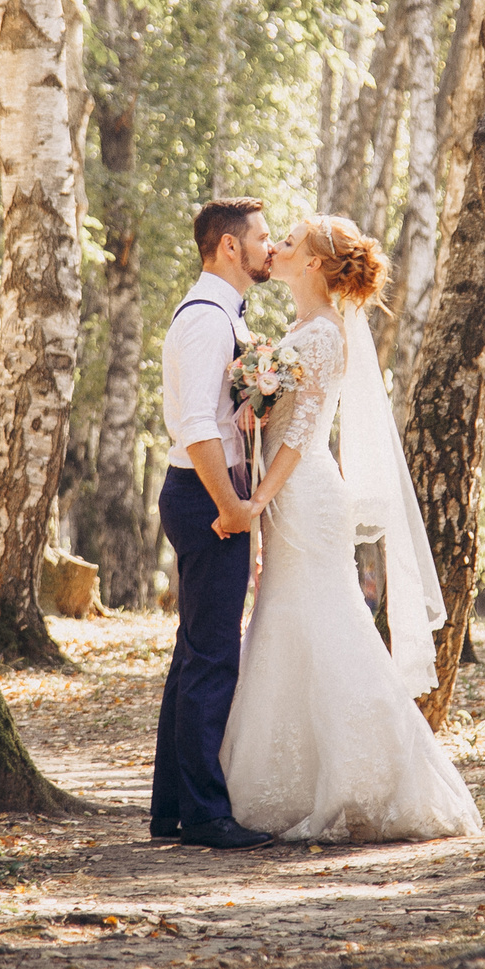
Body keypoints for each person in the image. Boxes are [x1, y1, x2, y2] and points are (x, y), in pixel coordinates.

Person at [221, 215, 481, 842]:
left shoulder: (322, 337)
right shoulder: (301, 331)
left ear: (312, 264)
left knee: (326, 621)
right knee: (287, 621)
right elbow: (283, 419)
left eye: (290, 242)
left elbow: (306, 433)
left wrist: (256, 501)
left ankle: (367, 777)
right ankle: (294, 779)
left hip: (304, 494)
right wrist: (257, 415)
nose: (276, 247)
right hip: (289, 490)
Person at [148, 198, 278, 849]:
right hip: (207, 497)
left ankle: (172, 805)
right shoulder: (205, 321)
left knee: (195, 651)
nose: (269, 247)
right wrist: (231, 505)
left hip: (207, 493)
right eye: (261, 237)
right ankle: (203, 812)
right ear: (230, 247)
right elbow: (195, 425)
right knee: (212, 656)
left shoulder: (222, 316)